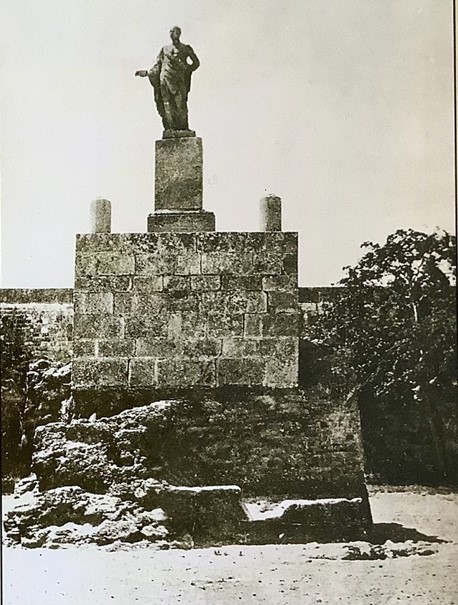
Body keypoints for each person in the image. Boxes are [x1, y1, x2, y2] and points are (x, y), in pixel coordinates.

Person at [136, 27, 200, 132]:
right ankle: (170, 128)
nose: (171, 33)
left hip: (179, 79)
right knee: (166, 103)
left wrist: (187, 69)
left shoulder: (185, 48)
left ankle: (183, 128)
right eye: (170, 31)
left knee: (181, 103)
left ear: (179, 33)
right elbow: (158, 65)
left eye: (174, 31)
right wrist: (147, 73)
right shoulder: (165, 49)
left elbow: (196, 63)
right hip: (165, 78)